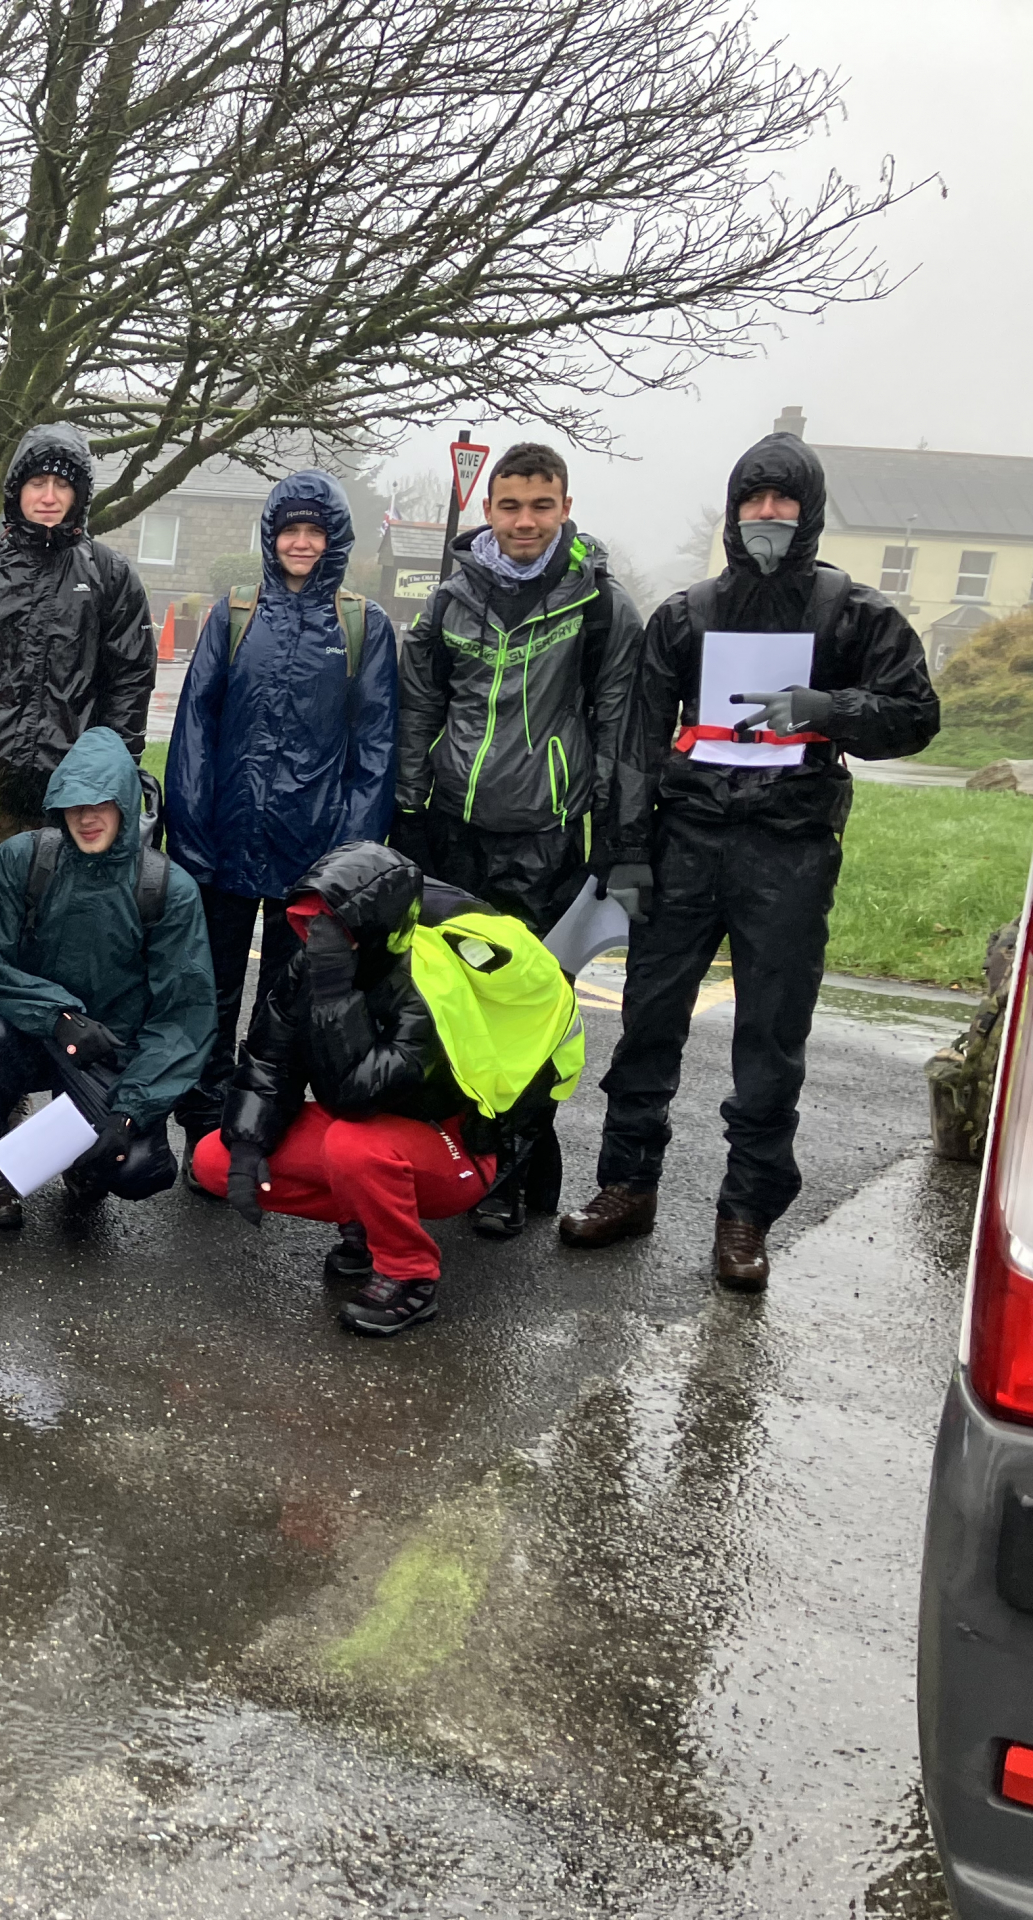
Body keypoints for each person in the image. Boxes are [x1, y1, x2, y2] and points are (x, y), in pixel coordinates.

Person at [560, 429, 939, 1291]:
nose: (767, 516)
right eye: (753, 502)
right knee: (650, 1023)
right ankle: (626, 1184)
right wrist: (626, 851)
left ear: (807, 511)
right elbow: (635, 739)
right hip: (686, 842)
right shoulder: (687, 615)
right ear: (733, 511)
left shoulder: (854, 615)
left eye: (783, 502)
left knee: (771, 1039)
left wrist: (828, 706)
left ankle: (745, 1216)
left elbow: (916, 714)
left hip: (791, 849)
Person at [390, 440, 644, 1236]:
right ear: (486, 511)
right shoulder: (447, 602)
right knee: (450, 1006)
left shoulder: (601, 606)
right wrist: (405, 809)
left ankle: (516, 1167)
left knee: (532, 1012)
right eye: (510, 506)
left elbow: (618, 728)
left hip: (547, 837)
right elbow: (418, 712)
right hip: (453, 831)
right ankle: (456, 1159)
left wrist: (616, 838)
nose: (525, 521)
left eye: (541, 505)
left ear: (566, 508)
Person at [190, 844, 529, 1336]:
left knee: (353, 1145)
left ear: (374, 925)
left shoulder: (428, 988)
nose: (317, 937)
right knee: (214, 1160)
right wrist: (247, 1141)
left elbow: (359, 1092)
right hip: (362, 1132)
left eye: (334, 924)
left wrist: (334, 994)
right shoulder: (310, 968)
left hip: (451, 1147)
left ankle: (410, 1275)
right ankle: (367, 1225)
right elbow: (269, 1060)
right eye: (312, 923)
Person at [166, 469, 397, 1152]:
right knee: (210, 989)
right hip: (230, 834)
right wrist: (192, 824)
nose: (301, 542)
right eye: (290, 529)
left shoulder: (364, 625)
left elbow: (375, 744)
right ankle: (206, 1125)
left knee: (288, 999)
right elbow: (195, 727)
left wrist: (350, 858)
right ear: (272, 536)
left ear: (334, 538)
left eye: (314, 530)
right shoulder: (234, 613)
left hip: (313, 849)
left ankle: (261, 1122)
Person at [0, 726, 214, 1230]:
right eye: (74, 803)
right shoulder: (25, 858)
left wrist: (130, 1111)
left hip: (112, 1052)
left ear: (126, 803)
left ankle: (83, 1162)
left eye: (102, 803)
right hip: (34, 1033)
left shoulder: (167, 888)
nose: (87, 817)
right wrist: (57, 1015)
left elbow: (184, 1018)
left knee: (140, 1167)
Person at [0, 423, 157, 841]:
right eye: (38, 482)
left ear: (79, 495)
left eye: (62, 484)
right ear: (17, 489)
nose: (49, 496)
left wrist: (112, 774)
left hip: (74, 801)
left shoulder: (110, 576)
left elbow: (129, 684)